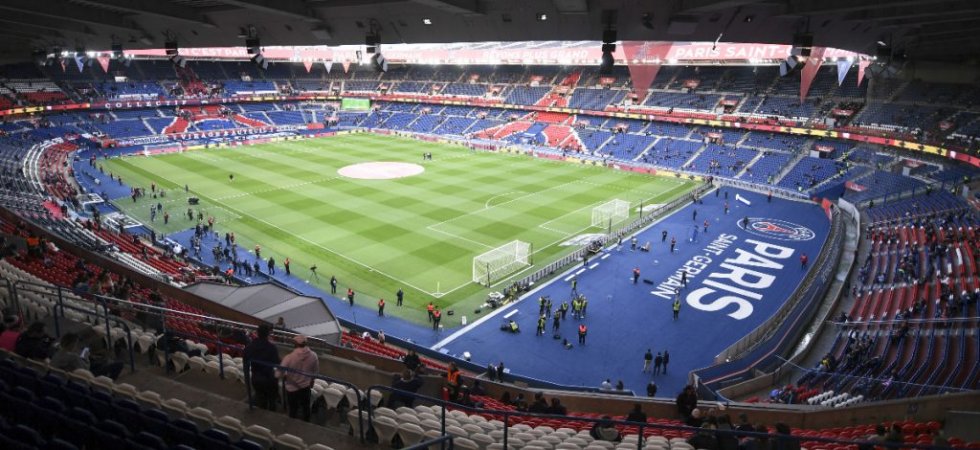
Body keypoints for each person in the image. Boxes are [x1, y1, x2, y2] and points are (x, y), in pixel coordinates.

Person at [277, 335, 319, 421]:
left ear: (296, 344)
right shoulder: (314, 356)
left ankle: (292, 423)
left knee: (293, 409)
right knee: (306, 407)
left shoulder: (289, 357)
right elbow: (315, 372)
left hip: (292, 387)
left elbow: (278, 373)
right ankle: (306, 423)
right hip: (305, 387)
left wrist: (285, 375)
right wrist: (312, 381)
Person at [244, 324, 281, 411]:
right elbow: (277, 363)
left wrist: (247, 381)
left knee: (261, 399)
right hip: (269, 379)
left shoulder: (249, 347)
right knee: (272, 401)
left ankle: (263, 411)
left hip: (256, 378)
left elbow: (245, 366)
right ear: (268, 334)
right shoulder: (272, 348)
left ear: (257, 333)